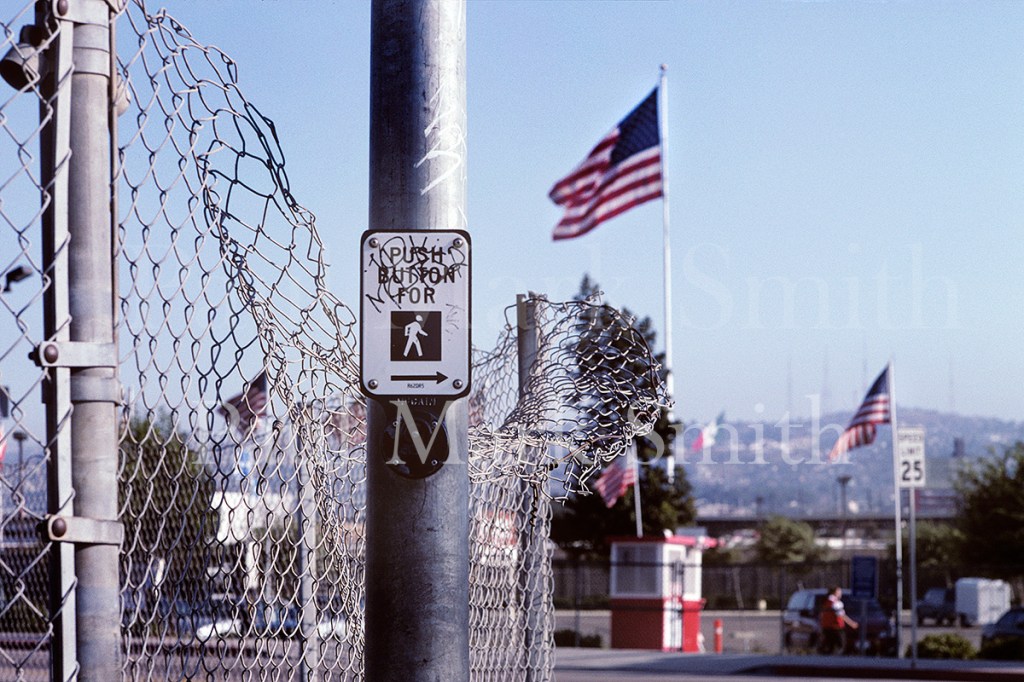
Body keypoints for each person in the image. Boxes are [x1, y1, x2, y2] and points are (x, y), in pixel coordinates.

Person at [819, 586, 858, 654]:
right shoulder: (836, 603)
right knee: (841, 646)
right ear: (835, 593)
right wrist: (851, 623)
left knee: (829, 647)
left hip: (826, 628)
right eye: (839, 592)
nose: (841, 593)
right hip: (836, 628)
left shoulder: (825, 601)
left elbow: (821, 615)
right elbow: (841, 615)